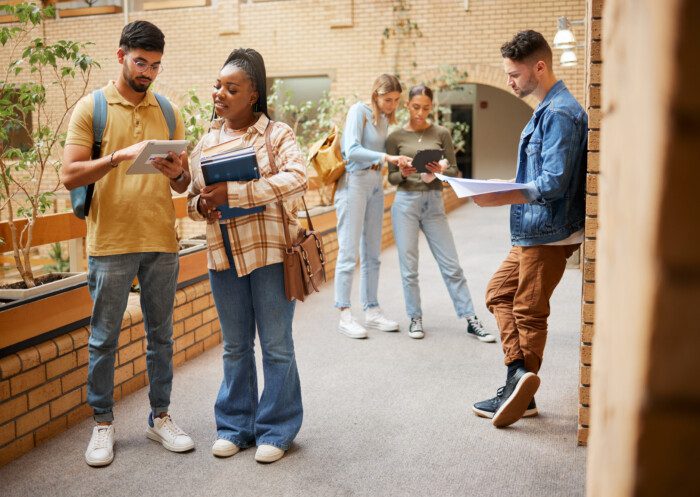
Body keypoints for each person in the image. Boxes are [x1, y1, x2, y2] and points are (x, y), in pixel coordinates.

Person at [61, 21, 194, 467]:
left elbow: (183, 185)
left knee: (161, 337)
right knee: (104, 339)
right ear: (121, 56)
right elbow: (69, 174)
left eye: (156, 65)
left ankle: (160, 418)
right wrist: (116, 158)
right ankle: (102, 424)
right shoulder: (92, 108)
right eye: (141, 63)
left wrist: (177, 173)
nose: (148, 73)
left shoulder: (169, 110)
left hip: (161, 239)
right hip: (110, 242)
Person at [186, 48, 307, 464]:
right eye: (218, 85)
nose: (220, 93)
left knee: (275, 346)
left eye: (231, 87)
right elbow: (191, 198)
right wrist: (202, 205)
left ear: (253, 94)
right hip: (223, 258)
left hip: (270, 254)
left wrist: (235, 193)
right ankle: (236, 426)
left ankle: (277, 428)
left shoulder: (277, 134)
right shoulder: (207, 139)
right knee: (235, 347)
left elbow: (296, 177)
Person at [471, 30, 587, 428]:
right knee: (498, 293)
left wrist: (500, 197)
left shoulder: (559, 113)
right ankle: (519, 377)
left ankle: (520, 393)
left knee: (528, 310)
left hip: (550, 232)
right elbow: (538, 174)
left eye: (515, 74)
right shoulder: (547, 109)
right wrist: (498, 187)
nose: (509, 81)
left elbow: (554, 183)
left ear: (540, 66)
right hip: (533, 229)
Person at [386, 85, 495, 342]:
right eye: (415, 107)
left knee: (451, 265)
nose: (420, 112)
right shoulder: (395, 137)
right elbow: (391, 179)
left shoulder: (442, 133)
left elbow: (454, 170)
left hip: (434, 203)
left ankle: (470, 318)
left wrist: (439, 169)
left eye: (425, 107)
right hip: (405, 204)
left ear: (431, 107)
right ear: (407, 106)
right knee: (409, 268)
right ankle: (415, 317)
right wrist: (402, 172)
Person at [334, 74, 411, 339]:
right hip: (354, 181)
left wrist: (397, 163)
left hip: (376, 183)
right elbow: (351, 150)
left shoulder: (385, 120)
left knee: (372, 252)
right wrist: (386, 156)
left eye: (396, 100)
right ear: (376, 95)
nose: (392, 105)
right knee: (348, 251)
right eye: (388, 99)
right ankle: (344, 313)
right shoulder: (360, 111)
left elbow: (381, 153)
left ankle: (371, 309)